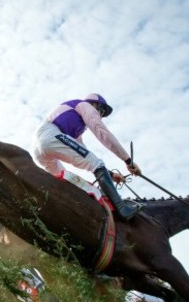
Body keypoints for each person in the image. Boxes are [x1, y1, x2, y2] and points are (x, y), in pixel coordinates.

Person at [32, 93, 141, 221]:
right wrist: (128, 161)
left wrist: (110, 174)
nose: (100, 115)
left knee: (66, 184)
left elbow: (84, 154)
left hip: (39, 147)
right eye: (101, 111)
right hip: (50, 135)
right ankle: (122, 208)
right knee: (96, 163)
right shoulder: (84, 105)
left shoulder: (76, 130)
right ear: (94, 104)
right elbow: (101, 132)